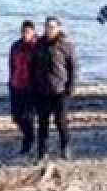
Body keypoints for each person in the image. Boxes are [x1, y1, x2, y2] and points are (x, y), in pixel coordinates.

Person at [32, 16, 78, 161]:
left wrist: (70, 87)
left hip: (60, 90)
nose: (49, 30)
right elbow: (32, 66)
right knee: (42, 123)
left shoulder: (66, 45)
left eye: (52, 27)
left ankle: (65, 147)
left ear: (58, 28)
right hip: (41, 90)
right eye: (47, 27)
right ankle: (42, 153)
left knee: (60, 121)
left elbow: (73, 67)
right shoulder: (39, 44)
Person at [8, 20, 38, 157]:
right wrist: (10, 81)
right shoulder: (15, 46)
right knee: (16, 117)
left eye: (27, 32)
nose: (25, 35)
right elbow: (11, 65)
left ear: (33, 32)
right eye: (23, 32)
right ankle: (28, 136)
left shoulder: (38, 46)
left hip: (32, 87)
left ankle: (28, 141)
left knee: (27, 116)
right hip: (16, 84)